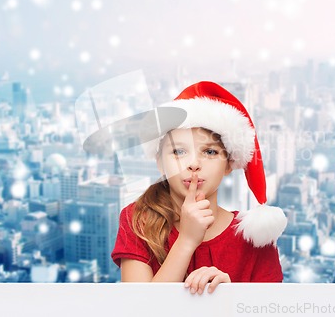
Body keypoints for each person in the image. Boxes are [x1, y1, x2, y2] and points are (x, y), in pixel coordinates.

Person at [111, 81, 287, 294]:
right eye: (178, 152)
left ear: (229, 164)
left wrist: (229, 297)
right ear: (160, 162)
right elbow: (137, 310)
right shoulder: (137, 221)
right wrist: (186, 241)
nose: (193, 164)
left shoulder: (255, 238)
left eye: (210, 152)